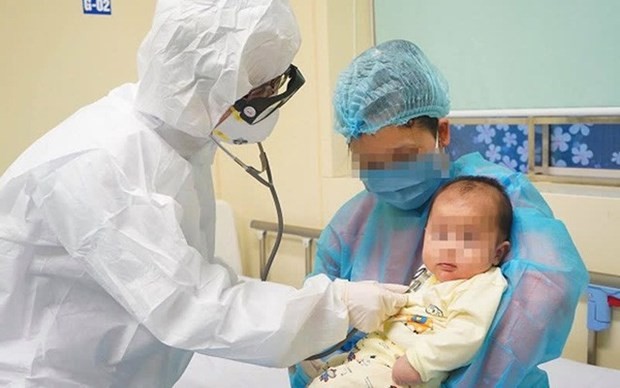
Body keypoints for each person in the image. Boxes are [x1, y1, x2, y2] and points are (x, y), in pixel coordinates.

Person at [0, 1, 409, 386]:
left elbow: (189, 274)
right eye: (265, 88)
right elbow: (191, 305)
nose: (270, 101)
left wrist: (306, 333)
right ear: (213, 85)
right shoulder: (99, 165)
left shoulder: (179, 143)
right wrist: (335, 310)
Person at [290, 39, 588, 387]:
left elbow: (544, 296)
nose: (388, 173)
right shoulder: (351, 223)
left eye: (402, 156)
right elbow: (316, 325)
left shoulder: (495, 199)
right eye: (371, 162)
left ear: (441, 133)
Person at [304, 176, 511, 387]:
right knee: (336, 373)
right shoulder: (431, 274)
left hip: (402, 368)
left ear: (497, 253)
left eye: (467, 239)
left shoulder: (482, 283)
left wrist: (419, 362)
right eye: (440, 236)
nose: (448, 249)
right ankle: (329, 371)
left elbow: (466, 334)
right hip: (373, 353)